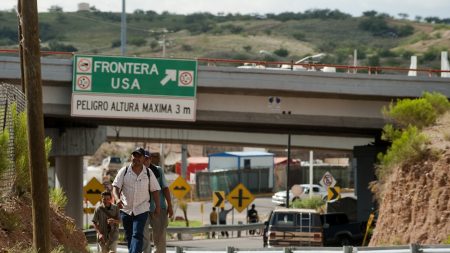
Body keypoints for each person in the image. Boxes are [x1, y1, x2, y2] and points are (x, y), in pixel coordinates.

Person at [112, 147, 161, 253]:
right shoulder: (124, 171)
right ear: (131, 157)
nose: (137, 158)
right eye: (135, 155)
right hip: (126, 209)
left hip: (142, 209)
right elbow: (115, 187)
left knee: (137, 234)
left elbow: (155, 190)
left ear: (144, 158)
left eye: (139, 156)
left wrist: (158, 206)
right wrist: (117, 199)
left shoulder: (148, 173)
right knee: (129, 237)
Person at [142, 151, 173, 253]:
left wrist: (170, 205)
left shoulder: (158, 170)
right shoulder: (137, 171)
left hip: (159, 209)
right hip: (143, 209)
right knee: (143, 235)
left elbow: (165, 188)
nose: (145, 161)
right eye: (143, 158)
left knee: (160, 238)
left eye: (147, 158)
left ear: (150, 159)